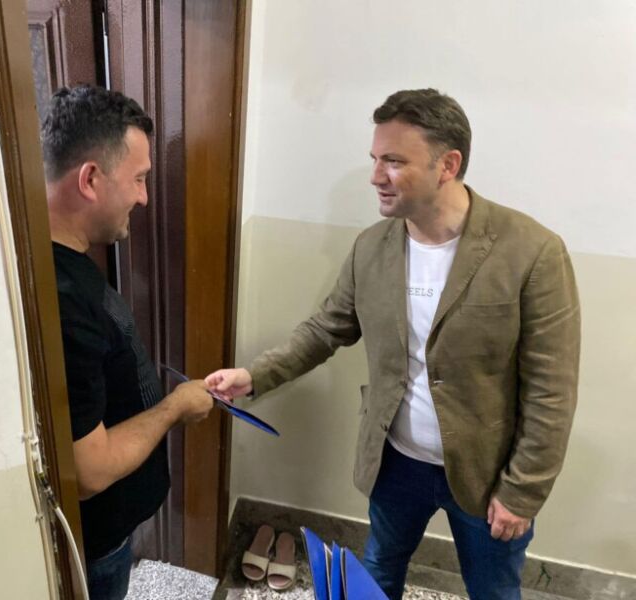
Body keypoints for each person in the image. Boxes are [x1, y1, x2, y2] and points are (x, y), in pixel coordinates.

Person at [206, 88, 580, 600]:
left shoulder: (533, 252)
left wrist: (522, 491)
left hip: (486, 471)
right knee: (378, 570)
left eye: (394, 161)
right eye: (375, 159)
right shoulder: (372, 247)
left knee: (493, 590)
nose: (376, 176)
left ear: (448, 165)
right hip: (395, 460)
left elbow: (551, 390)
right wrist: (254, 376)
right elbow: (327, 328)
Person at [42, 86, 214, 600]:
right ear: (90, 179)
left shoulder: (69, 264)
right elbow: (90, 471)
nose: (144, 197)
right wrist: (175, 407)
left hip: (112, 533)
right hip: (97, 548)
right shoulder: (63, 298)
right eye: (138, 179)